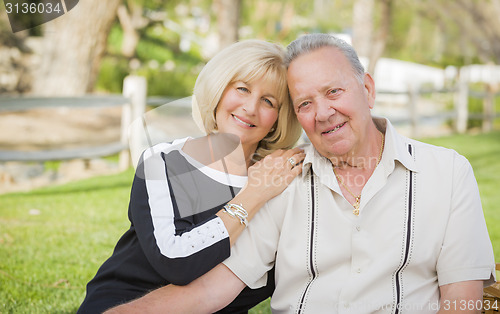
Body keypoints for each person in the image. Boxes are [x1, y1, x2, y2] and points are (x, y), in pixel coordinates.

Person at [105, 34, 496, 314]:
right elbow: (209, 292)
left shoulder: (447, 173)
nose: (323, 113)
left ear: (368, 89)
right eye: (305, 102)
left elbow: (461, 299)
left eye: (334, 92)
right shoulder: (283, 180)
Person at [77, 39, 305, 313]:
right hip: (124, 302)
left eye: (268, 101)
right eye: (242, 89)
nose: (250, 107)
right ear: (219, 90)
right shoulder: (163, 162)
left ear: (278, 120)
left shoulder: (280, 177)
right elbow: (175, 260)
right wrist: (253, 195)